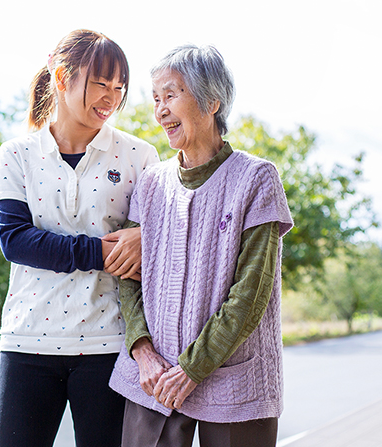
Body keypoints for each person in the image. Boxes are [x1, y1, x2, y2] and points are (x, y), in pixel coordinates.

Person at [109, 44, 294, 447]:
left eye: (171, 95)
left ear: (212, 101)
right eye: (155, 98)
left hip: (235, 382)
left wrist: (193, 368)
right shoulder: (151, 183)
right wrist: (141, 350)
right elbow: (127, 274)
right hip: (154, 380)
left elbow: (252, 292)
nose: (159, 110)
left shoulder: (257, 178)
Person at [0, 29, 159, 447]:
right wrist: (101, 251)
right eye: (101, 83)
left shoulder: (140, 156)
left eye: (119, 87)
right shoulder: (16, 154)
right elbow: (16, 240)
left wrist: (146, 238)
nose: (111, 97)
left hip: (109, 343)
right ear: (62, 78)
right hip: (27, 340)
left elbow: (157, 240)